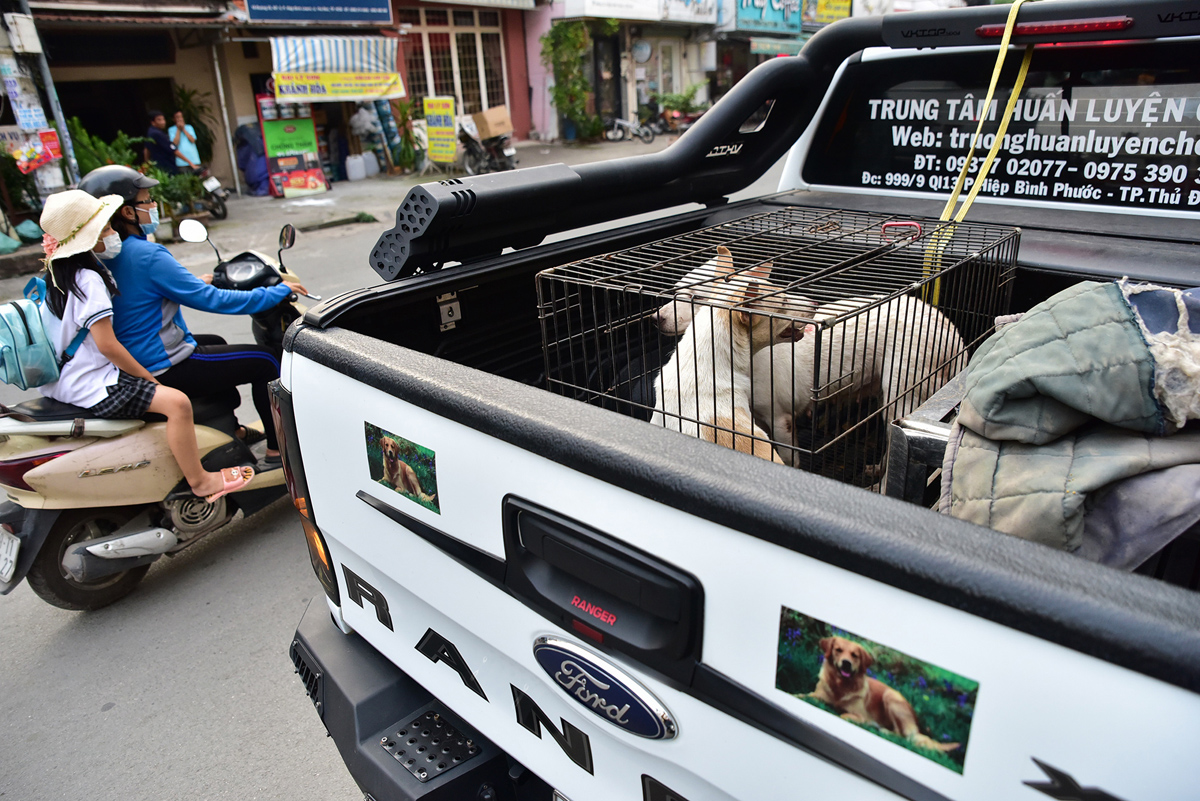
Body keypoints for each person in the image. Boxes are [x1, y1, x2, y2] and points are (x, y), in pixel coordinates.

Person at [77, 164, 306, 469]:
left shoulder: (101, 254)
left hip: (131, 359)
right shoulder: (147, 255)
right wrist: (275, 293)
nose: (153, 207)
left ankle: (229, 429)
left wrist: (197, 282)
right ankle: (280, 451)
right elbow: (213, 301)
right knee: (264, 361)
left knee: (216, 341)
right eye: (147, 201)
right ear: (128, 213)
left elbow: (146, 292)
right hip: (161, 364)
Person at [37, 190, 253, 501]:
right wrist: (147, 379)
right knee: (176, 403)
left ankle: (230, 433)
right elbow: (108, 346)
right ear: (91, 238)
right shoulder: (90, 280)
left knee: (211, 346)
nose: (113, 234)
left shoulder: (57, 276)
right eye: (107, 229)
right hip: (92, 383)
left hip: (62, 382)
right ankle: (201, 481)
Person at [144, 110, 190, 175]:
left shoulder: (150, 132)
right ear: (153, 122)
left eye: (163, 119)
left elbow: (146, 149)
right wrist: (191, 164)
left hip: (159, 166)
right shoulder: (157, 134)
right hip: (166, 166)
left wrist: (147, 164)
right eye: (159, 120)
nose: (163, 122)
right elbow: (173, 149)